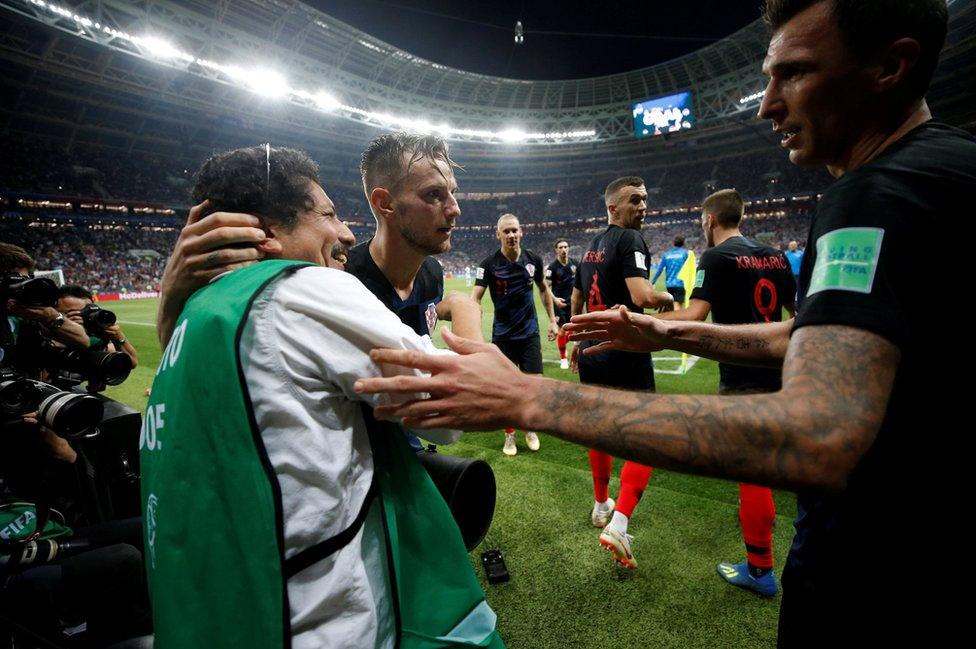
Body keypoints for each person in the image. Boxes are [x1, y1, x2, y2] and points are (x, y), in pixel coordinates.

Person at [353, 0, 972, 643]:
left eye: (795, 74)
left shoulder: (877, 193)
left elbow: (821, 431)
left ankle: (611, 510)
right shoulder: (934, 171)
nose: (767, 104)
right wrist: (670, 330)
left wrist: (528, 397)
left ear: (890, 67)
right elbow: (821, 339)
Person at [142, 146, 503, 649]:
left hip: (223, 610)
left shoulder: (190, 318)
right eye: (329, 215)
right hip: (319, 622)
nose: (346, 232)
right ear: (263, 231)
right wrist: (467, 318)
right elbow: (449, 410)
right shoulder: (306, 288)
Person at [657, 188, 795, 595]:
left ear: (709, 220)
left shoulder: (715, 258)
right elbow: (798, 316)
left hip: (742, 378)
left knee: (751, 473)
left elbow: (695, 318)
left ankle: (759, 570)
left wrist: (654, 321)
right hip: (781, 373)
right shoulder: (775, 254)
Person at [572, 176, 673, 569]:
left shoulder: (590, 248)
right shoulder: (630, 240)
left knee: (599, 429)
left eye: (645, 200)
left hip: (593, 354)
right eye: (635, 201)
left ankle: (600, 504)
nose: (643, 207)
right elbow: (642, 296)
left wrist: (576, 344)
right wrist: (668, 296)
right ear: (613, 207)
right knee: (645, 437)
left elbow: (578, 302)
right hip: (624, 352)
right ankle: (619, 523)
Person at [473, 213, 558, 456]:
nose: (511, 235)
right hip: (503, 336)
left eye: (514, 230)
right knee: (506, 388)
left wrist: (552, 321)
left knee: (534, 387)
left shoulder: (534, 260)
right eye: (506, 231)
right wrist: (473, 326)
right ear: (498, 235)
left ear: (521, 232)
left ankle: (529, 428)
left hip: (529, 333)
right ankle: (510, 434)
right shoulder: (487, 265)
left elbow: (543, 290)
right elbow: (475, 298)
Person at [57, 284, 138, 369]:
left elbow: (131, 363)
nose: (82, 317)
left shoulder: (96, 335)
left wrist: (118, 336)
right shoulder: (46, 336)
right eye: (73, 313)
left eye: (86, 311)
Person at [546, 239, 578, 370]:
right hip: (559, 304)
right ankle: (563, 359)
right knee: (562, 330)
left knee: (573, 330)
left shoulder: (575, 264)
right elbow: (546, 288)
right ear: (556, 250)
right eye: (560, 247)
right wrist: (555, 300)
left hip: (573, 303)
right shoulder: (552, 268)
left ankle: (568, 344)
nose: (563, 249)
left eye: (565, 247)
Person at [650, 235, 690, 308]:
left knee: (673, 305)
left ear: (673, 243)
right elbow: (690, 268)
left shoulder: (667, 254)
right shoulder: (685, 254)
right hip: (680, 283)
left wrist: (653, 282)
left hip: (669, 284)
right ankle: (675, 318)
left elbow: (660, 269)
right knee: (678, 305)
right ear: (683, 243)